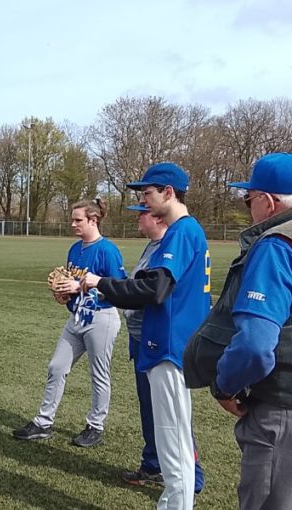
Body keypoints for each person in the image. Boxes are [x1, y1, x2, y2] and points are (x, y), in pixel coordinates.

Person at [82, 163, 210, 510]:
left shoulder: (181, 231)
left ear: (169, 192)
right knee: (173, 437)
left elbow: (155, 289)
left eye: (148, 193)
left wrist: (100, 282)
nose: (143, 200)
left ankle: (176, 505)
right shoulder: (185, 231)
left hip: (169, 344)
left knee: (173, 439)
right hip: (171, 342)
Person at [187, 153, 292, 509]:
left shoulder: (277, 245)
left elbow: (255, 346)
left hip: (282, 409)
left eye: (249, 199)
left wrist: (225, 385)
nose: (249, 208)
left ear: (268, 201)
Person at [13, 198, 125, 447]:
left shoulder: (107, 250)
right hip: (76, 317)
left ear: (93, 220)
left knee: (99, 374)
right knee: (56, 367)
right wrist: (65, 293)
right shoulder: (75, 249)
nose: (73, 224)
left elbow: (119, 288)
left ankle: (95, 426)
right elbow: (72, 286)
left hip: (101, 318)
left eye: (78, 220)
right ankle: (43, 423)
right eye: (72, 219)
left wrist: (81, 287)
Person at [120, 203, 205, 495]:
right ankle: (153, 464)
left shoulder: (173, 244)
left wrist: (103, 286)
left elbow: (151, 292)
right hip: (142, 338)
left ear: (158, 218)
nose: (138, 217)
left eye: (142, 212)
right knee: (152, 409)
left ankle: (191, 477)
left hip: (159, 339)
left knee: (173, 416)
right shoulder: (154, 246)